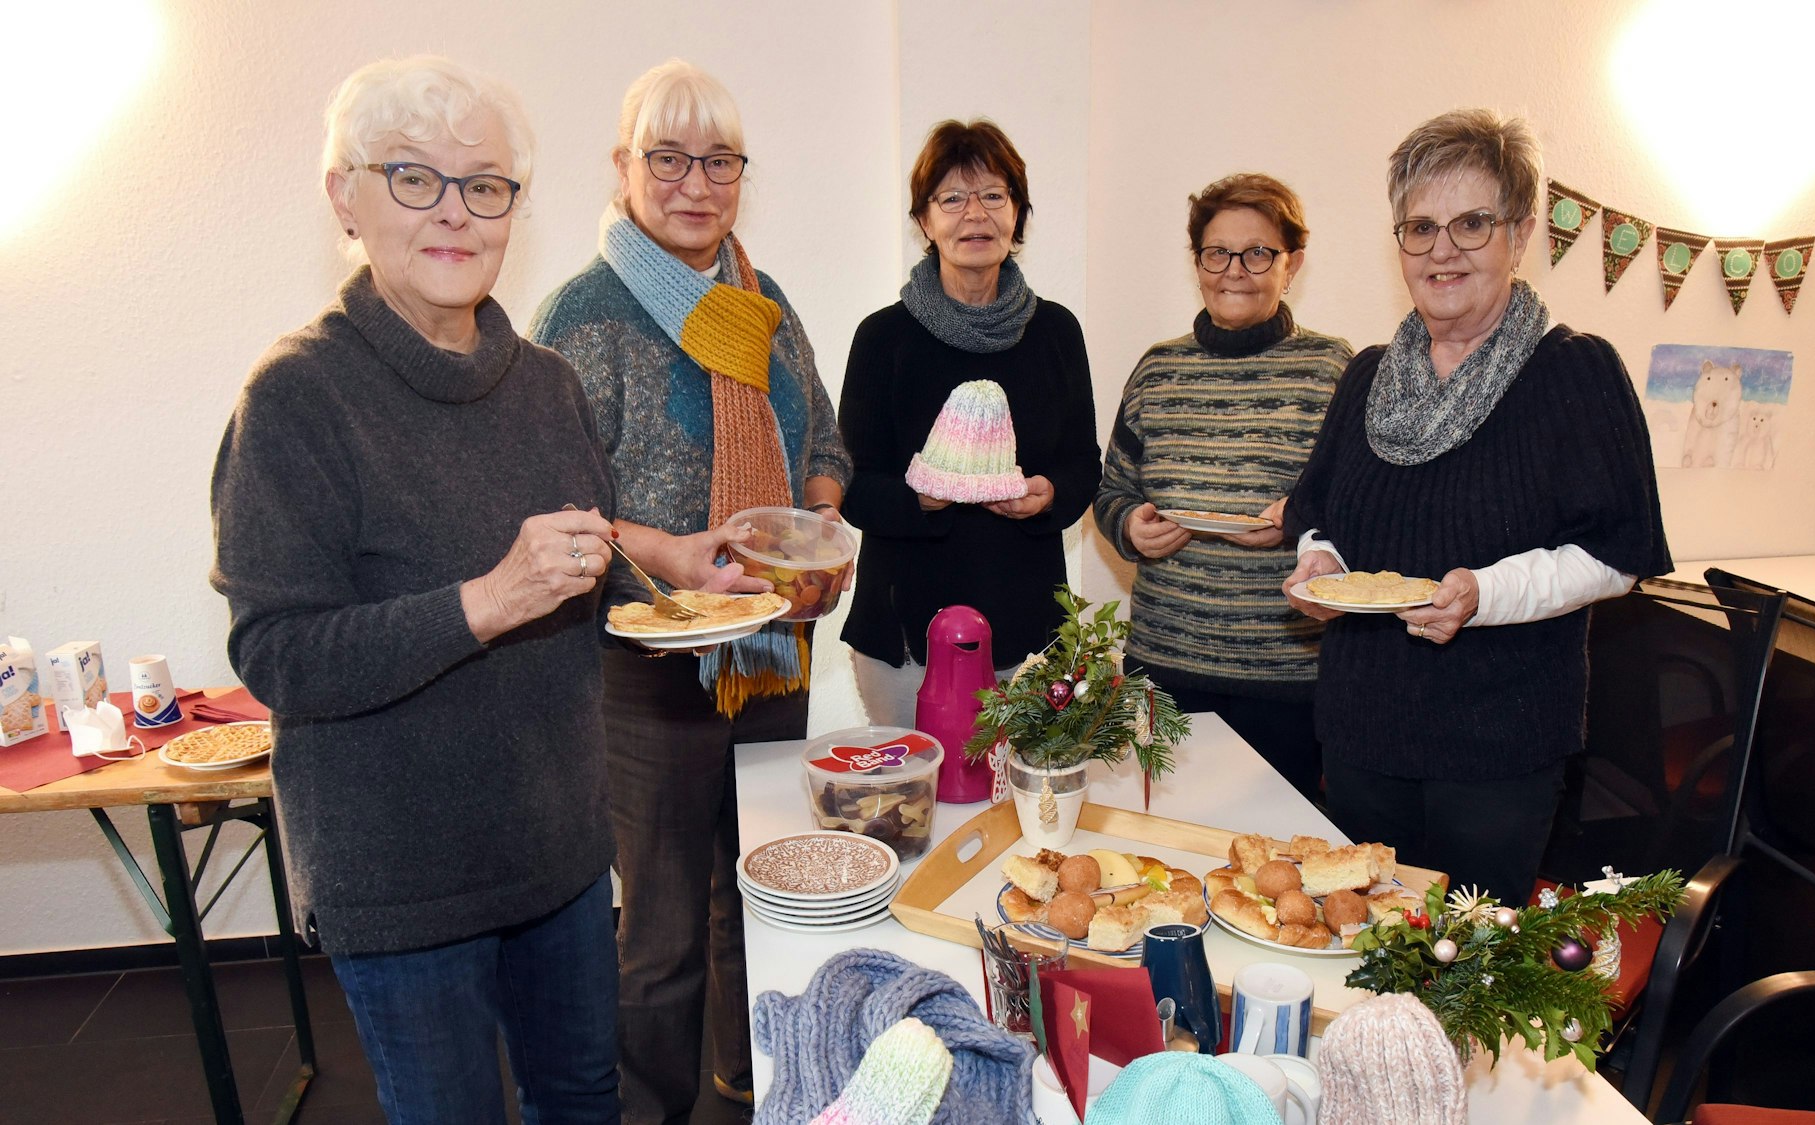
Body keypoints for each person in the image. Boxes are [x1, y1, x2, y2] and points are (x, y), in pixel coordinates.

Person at [211, 56, 630, 1122]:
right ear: (343, 196)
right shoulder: (297, 397)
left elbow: (585, 576)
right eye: (413, 177)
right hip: (404, 879)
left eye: (484, 184)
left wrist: (690, 585)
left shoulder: (548, 384)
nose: (454, 212)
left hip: (562, 848)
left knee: (583, 1100)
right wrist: (484, 600)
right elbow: (279, 655)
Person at [529, 59, 852, 1123]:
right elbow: (550, 504)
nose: (692, 183)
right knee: (660, 930)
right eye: (665, 158)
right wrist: (661, 553)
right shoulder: (583, 311)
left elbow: (824, 435)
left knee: (757, 888)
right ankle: (652, 1107)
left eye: (716, 160)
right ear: (622, 170)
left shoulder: (760, 299)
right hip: (648, 670)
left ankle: (751, 1080)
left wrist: (817, 520)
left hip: (771, 649)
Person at [1282, 109, 1670, 907]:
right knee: (1362, 948)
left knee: (1467, 975)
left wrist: (1483, 594)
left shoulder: (1574, 374)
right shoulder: (1365, 375)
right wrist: (1318, 561)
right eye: (1419, 227)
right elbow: (1321, 511)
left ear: (1520, 235)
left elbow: (1614, 556)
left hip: (1497, 746)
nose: (1442, 249)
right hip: (1362, 731)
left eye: (1471, 223)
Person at [1093, 173, 1352, 803]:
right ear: (1198, 261)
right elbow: (1112, 492)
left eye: (1259, 252)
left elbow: (1363, 507)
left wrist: (1299, 516)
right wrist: (1130, 528)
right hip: (1166, 669)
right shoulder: (1159, 367)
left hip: (1289, 674)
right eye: (1217, 253)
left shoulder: (1334, 369)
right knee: (1164, 848)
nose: (1235, 270)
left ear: (1292, 264)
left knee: (1274, 865)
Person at [839, 119, 1101, 723]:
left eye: (993, 196)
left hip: (1029, 626)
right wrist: (920, 500)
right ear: (925, 222)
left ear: (1019, 215)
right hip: (905, 632)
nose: (974, 214)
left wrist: (1049, 494)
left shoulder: (1057, 331)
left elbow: (1084, 464)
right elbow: (854, 483)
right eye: (951, 198)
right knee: (917, 803)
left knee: (1023, 802)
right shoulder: (883, 338)